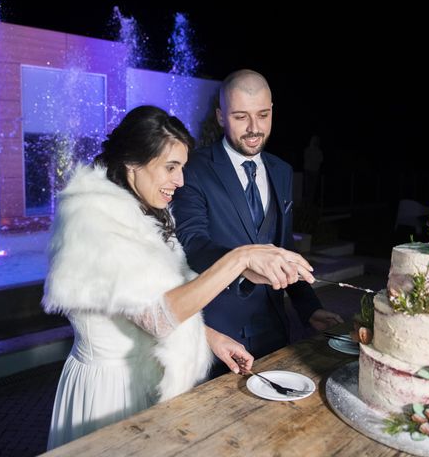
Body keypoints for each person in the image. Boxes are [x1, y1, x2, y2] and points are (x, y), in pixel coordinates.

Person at [42, 105, 313, 449]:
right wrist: (240, 257)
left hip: (147, 380)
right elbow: (155, 317)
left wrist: (211, 337)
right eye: (171, 168)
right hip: (109, 391)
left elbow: (153, 306)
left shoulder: (144, 212)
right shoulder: (93, 219)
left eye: (182, 168)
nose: (181, 181)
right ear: (132, 164)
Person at [172, 70, 343, 376]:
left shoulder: (282, 170)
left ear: (272, 111)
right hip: (217, 337)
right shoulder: (194, 168)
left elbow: (283, 247)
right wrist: (242, 263)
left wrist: (309, 309)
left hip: (275, 330)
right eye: (241, 117)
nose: (254, 128)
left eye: (263, 115)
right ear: (221, 117)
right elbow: (193, 244)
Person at [303, 134, 323, 205]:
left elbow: (320, 160)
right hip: (308, 171)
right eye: (314, 140)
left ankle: (310, 203)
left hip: (315, 171)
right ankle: (307, 204)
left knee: (313, 189)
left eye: (317, 141)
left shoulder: (319, 151)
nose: (315, 142)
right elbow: (306, 158)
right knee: (307, 188)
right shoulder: (307, 150)